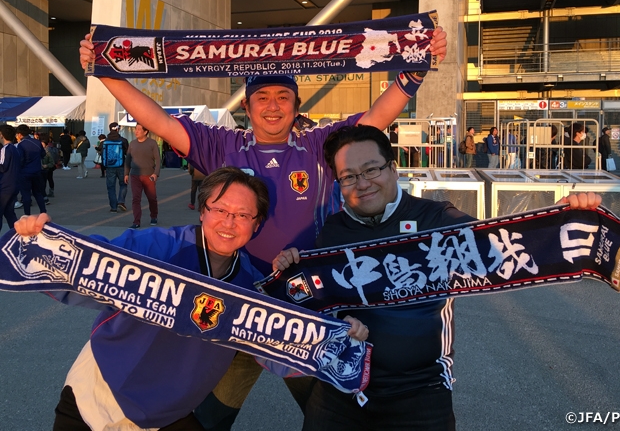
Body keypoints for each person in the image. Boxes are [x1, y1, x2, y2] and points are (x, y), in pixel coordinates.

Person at [80, 28, 448, 428]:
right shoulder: (222, 145)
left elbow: (376, 119)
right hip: (237, 302)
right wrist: (105, 71)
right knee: (207, 417)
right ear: (247, 105)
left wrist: (415, 71)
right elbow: (160, 121)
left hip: (302, 308)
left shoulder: (318, 145)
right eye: (262, 98)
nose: (273, 107)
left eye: (283, 97)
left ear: (296, 105)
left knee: (332, 413)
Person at [273, 124, 603, 431]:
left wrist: (560, 217)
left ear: (393, 168)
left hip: (421, 393)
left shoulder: (436, 218)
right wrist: (288, 266)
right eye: (348, 176)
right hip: (339, 389)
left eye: (371, 169)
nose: (362, 183)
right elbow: (310, 302)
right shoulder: (332, 231)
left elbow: (499, 245)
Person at [13, 167, 368, 431]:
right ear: (202, 211)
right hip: (101, 388)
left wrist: (341, 336)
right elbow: (92, 261)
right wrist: (40, 241)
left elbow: (282, 345)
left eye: (243, 215)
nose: (229, 222)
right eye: (220, 210)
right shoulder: (160, 246)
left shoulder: (251, 286)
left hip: (168, 412)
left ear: (257, 224)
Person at [124, 124, 161, 229]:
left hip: (149, 175)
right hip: (135, 175)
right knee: (136, 199)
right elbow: (128, 159)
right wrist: (126, 173)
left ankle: (154, 216)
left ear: (145, 132)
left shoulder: (152, 143)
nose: (136, 131)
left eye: (139, 129)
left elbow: (158, 159)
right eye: (136, 129)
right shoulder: (132, 144)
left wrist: (156, 173)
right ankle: (136, 221)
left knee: (152, 198)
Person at [15, 124, 46, 216]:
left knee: (26, 195)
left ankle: (27, 215)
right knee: (38, 193)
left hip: (25, 172)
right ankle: (43, 212)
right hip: (37, 171)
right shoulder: (37, 142)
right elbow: (43, 154)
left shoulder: (21, 145)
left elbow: (21, 159)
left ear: (20, 134)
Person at [103, 122, 130, 213]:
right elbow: (128, 153)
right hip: (121, 165)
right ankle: (121, 201)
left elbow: (102, 153)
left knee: (111, 187)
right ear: (118, 129)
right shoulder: (123, 140)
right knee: (123, 184)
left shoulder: (105, 141)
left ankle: (113, 207)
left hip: (109, 166)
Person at [0, 125, 20, 232]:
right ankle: (17, 234)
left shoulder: (5, 149)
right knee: (9, 213)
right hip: (14, 184)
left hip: (5, 186)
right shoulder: (15, 149)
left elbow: (2, 167)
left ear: (1, 135)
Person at [40, 137, 56, 206]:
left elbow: (52, 162)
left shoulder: (48, 152)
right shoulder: (38, 151)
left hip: (46, 169)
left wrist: (46, 165)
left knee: (48, 180)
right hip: (42, 170)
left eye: (43, 144)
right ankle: (44, 194)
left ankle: (47, 194)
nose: (41, 145)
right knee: (43, 182)